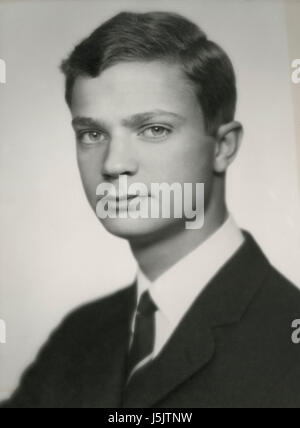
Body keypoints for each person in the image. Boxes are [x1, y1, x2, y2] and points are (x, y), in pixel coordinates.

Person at [2, 11, 300, 408]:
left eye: (154, 129)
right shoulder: (79, 335)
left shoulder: (287, 338)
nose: (113, 164)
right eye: (92, 134)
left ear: (223, 146)